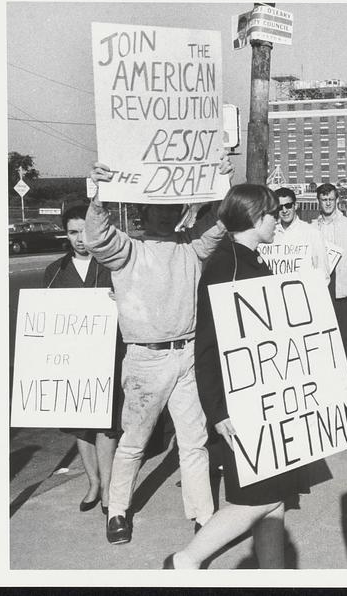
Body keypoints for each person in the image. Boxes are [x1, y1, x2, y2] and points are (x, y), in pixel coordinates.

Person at [86, 158, 232, 545]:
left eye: (174, 208)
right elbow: (97, 238)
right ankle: (117, 511)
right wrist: (98, 197)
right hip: (145, 360)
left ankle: (204, 516)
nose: (167, 215)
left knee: (194, 441)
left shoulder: (192, 247)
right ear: (143, 210)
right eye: (159, 208)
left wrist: (218, 183)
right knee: (133, 441)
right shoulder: (127, 250)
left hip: (187, 357)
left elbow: (218, 226)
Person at [165, 184, 309, 570]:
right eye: (273, 213)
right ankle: (186, 559)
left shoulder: (247, 259)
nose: (279, 220)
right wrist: (218, 410)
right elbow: (209, 347)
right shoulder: (227, 264)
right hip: (238, 403)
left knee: (276, 496)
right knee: (257, 499)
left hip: (261, 398)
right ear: (255, 217)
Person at [43, 204, 122, 515]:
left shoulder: (111, 266)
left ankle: (107, 487)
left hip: (107, 357)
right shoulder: (55, 272)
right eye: (73, 232)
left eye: (85, 231)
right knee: (80, 425)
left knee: (105, 425)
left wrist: (120, 299)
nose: (79, 238)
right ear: (66, 233)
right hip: (72, 360)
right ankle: (92, 481)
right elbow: (46, 318)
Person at [313, 183, 347, 390]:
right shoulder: (312, 227)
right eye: (324, 200)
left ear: (336, 201)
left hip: (343, 287)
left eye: (331, 200)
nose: (327, 203)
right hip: (321, 289)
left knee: (346, 338)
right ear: (319, 201)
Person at [272, 186, 330, 284]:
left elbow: (322, 272)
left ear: (296, 205)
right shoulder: (271, 234)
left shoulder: (312, 233)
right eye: (280, 207)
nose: (284, 210)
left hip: (303, 295)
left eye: (288, 205)